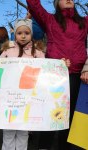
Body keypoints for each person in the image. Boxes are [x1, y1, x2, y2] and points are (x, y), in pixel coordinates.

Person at [0, 18, 70, 150]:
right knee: (8, 131)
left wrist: (60, 64)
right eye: (20, 33)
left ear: (31, 34)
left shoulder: (37, 52)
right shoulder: (8, 50)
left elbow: (46, 69)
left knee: (23, 131)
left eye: (27, 33)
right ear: (15, 34)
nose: (23, 36)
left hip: (28, 99)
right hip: (9, 98)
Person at [26, 0, 88, 149]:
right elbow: (34, 5)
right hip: (54, 75)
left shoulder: (84, 22)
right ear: (56, 4)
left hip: (76, 75)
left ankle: (64, 146)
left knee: (70, 116)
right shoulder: (49, 19)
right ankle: (44, 146)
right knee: (51, 112)